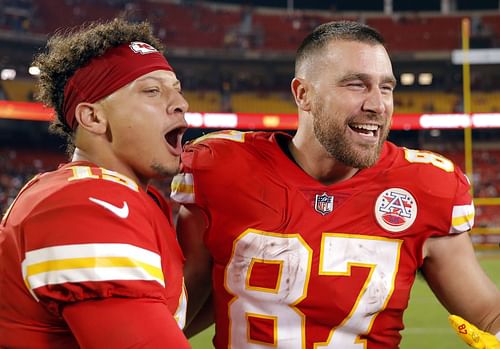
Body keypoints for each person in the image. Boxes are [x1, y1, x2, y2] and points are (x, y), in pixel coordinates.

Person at [171, 21, 500, 348]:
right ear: (304, 94)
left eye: (386, 87)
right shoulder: (222, 169)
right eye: (357, 85)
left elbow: (488, 313)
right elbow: (180, 311)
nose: (378, 104)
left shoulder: (425, 186)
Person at [0, 18, 191, 348]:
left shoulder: (133, 199)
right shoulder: (85, 205)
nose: (180, 104)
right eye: (152, 91)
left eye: (177, 89)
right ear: (93, 118)